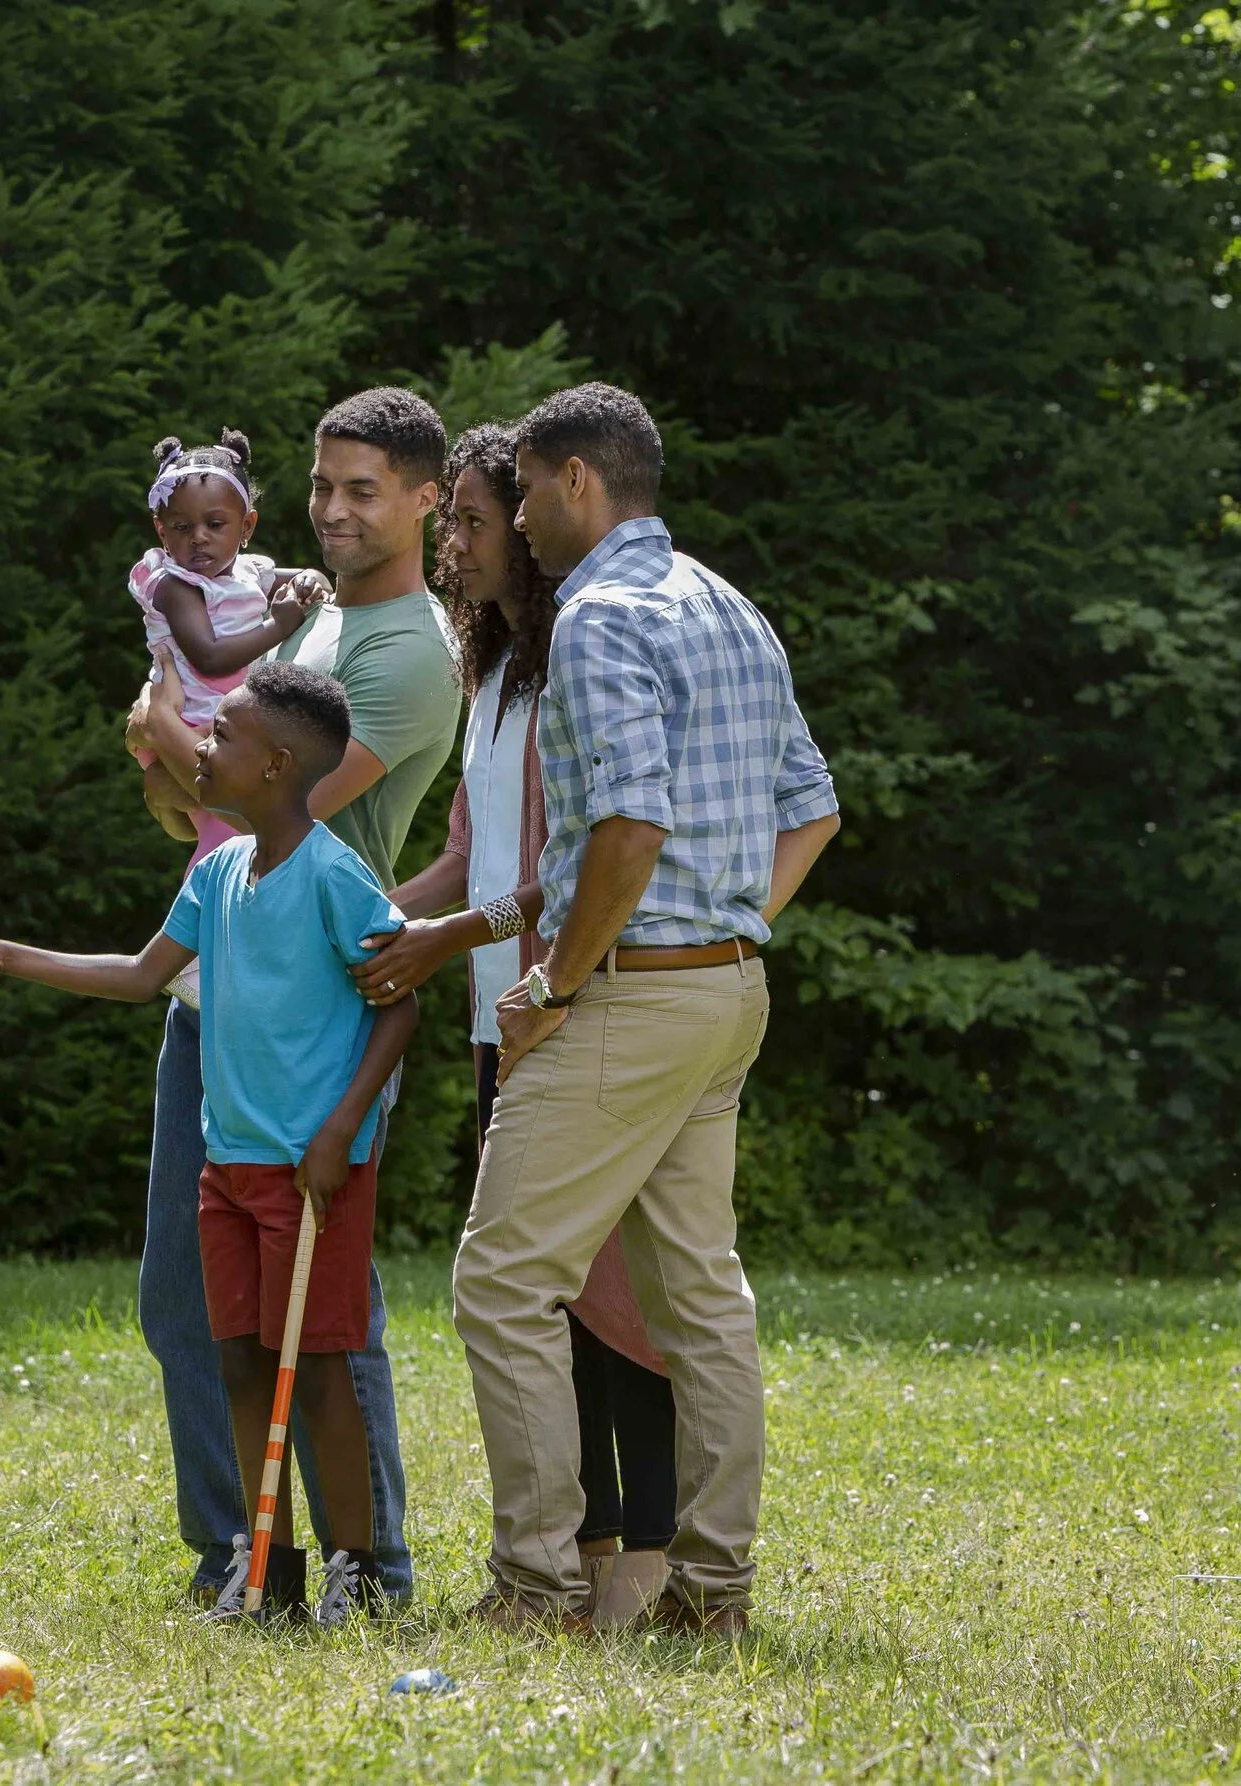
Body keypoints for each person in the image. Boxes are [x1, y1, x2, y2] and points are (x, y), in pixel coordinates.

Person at [453, 383, 842, 1637]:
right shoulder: (732, 608)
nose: (516, 519)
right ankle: (711, 1593)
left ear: (575, 480)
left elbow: (627, 824)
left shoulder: (601, 616)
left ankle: (538, 1584)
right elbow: (814, 806)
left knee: (504, 1279)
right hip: (727, 994)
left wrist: (558, 983)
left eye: (520, 493)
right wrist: (735, 932)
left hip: (627, 995)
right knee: (700, 1299)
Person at [0, 661, 416, 1627]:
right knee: (240, 1360)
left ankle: (358, 1569)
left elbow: (398, 1006)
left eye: (222, 737)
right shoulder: (215, 872)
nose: (197, 747)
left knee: (320, 1363)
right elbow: (137, 974)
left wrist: (340, 1134)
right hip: (231, 1167)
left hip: (313, 1172)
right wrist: (5, 954)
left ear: (278, 763)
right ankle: (271, 1572)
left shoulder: (335, 875)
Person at [128, 388, 460, 1607]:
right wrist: (170, 755)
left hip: (313, 1019)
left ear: (426, 499)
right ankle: (246, 1550)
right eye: (323, 486)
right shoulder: (306, 624)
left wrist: (165, 733)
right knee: (187, 1298)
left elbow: (284, 812)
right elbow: (200, 810)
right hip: (220, 992)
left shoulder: (412, 652)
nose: (332, 510)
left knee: (326, 1318)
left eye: (362, 488)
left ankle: (371, 1565)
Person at [349, 422, 679, 1629]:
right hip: (506, 1016)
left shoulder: (573, 666)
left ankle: (649, 1550)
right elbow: (461, 853)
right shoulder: (490, 674)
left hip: (570, 1000)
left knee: (613, 1293)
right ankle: (587, 1545)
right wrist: (377, 921)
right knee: (551, 1295)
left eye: (477, 521)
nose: (457, 543)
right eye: (455, 525)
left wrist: (455, 937)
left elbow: (573, 865)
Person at [126, 427, 326, 870]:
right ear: (161, 531)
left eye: (215, 525)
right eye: (182, 527)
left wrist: (312, 581)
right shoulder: (176, 586)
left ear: (246, 526)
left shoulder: (247, 571)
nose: (199, 538)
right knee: (228, 835)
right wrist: (279, 625)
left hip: (223, 722)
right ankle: (209, 902)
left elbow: (301, 579)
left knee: (227, 822)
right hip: (191, 720)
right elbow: (209, 659)